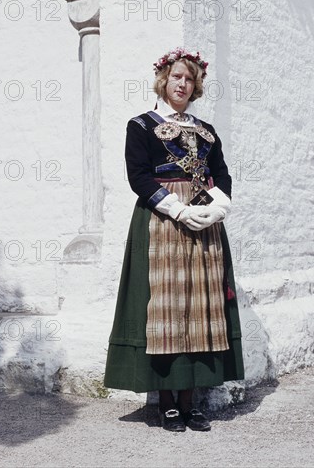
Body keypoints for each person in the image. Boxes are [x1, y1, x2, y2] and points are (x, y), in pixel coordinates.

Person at [104, 47, 244, 432]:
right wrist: (177, 209)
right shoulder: (141, 126)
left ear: (195, 86)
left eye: (190, 79)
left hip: (204, 223)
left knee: (201, 305)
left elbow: (222, 174)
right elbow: (140, 176)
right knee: (166, 306)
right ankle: (166, 403)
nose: (183, 84)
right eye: (177, 77)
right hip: (163, 222)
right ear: (164, 80)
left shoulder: (206, 131)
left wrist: (216, 208)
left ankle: (192, 401)